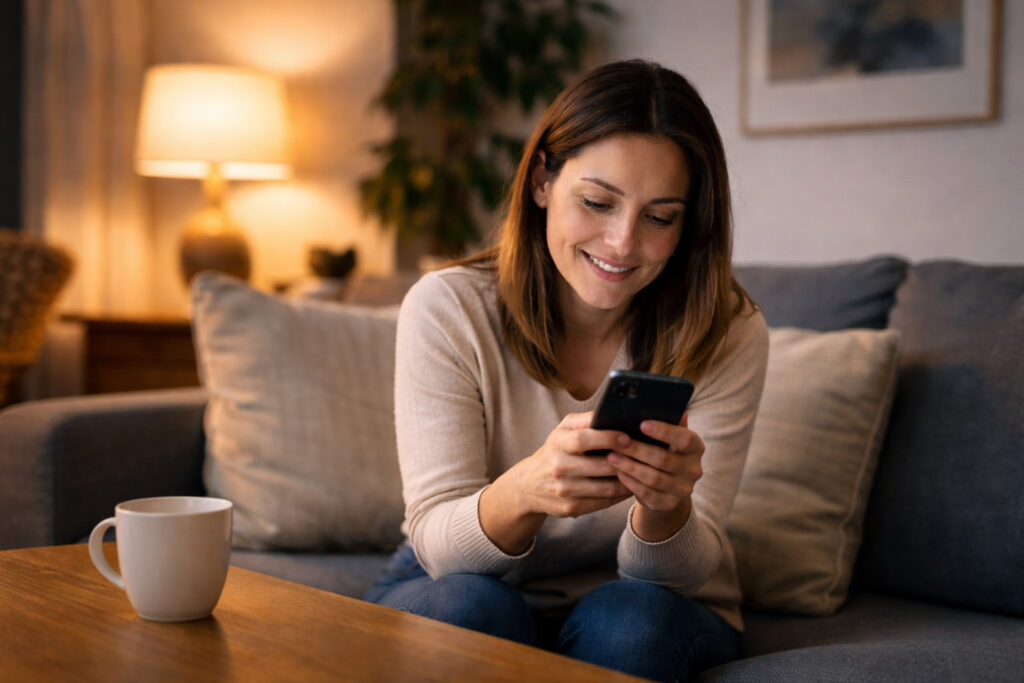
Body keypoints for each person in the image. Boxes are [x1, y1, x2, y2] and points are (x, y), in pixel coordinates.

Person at [365, 59, 769, 682]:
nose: (622, 243)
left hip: (649, 601)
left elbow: (683, 575)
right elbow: (440, 549)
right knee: (470, 606)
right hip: (461, 579)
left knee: (631, 626)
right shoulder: (447, 307)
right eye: (597, 202)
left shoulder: (729, 330)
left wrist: (666, 506)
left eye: (660, 217)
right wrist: (526, 489)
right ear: (541, 182)